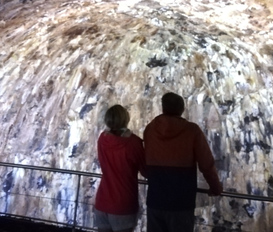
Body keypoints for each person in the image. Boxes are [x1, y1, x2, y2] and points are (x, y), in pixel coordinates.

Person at [143, 92, 223, 232]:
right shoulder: (192, 131)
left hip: (155, 199)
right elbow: (206, 164)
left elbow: (145, 162)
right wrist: (215, 187)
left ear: (163, 108)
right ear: (181, 109)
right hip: (181, 201)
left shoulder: (150, 129)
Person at [94, 105, 146, 232]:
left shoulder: (103, 139)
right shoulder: (134, 143)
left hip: (102, 200)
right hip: (123, 202)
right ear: (125, 119)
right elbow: (145, 171)